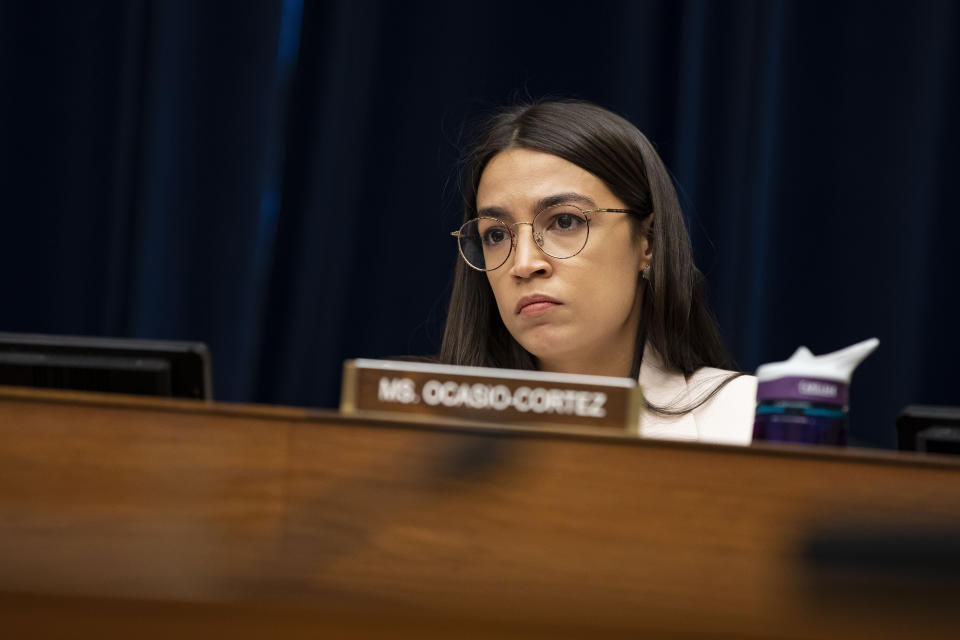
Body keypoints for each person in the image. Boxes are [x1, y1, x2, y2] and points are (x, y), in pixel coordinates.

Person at [440, 100, 756, 444]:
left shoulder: (744, 422)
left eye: (565, 221)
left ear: (647, 242)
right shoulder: (418, 433)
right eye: (497, 235)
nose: (524, 264)